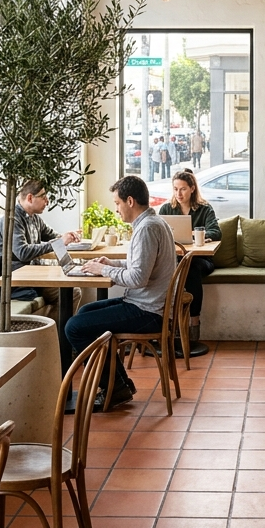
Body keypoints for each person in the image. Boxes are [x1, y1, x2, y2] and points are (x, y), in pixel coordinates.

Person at [68, 175, 176, 407]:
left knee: (75, 327)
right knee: (84, 312)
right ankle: (119, 384)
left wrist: (104, 270)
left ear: (129, 201)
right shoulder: (154, 222)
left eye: (117, 204)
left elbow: (137, 277)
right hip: (148, 305)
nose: (116, 209)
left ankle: (115, 387)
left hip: (148, 312)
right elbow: (142, 265)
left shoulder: (146, 229)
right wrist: (111, 264)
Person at [0, 179, 79, 310]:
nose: (47, 201)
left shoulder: (34, 218)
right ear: (30, 198)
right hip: (12, 281)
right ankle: (59, 330)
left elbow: (53, 236)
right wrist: (58, 243)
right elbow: (22, 252)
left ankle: (56, 329)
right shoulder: (12, 220)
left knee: (72, 289)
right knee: (73, 292)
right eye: (44, 197)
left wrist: (69, 236)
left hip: (29, 276)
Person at [158, 169, 220, 351]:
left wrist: (195, 235)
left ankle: (194, 321)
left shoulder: (205, 208)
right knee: (166, 270)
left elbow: (216, 231)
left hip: (200, 260)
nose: (179, 193)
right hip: (174, 259)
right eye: (176, 189)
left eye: (183, 189)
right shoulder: (166, 209)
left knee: (190, 267)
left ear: (192, 189)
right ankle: (168, 322)